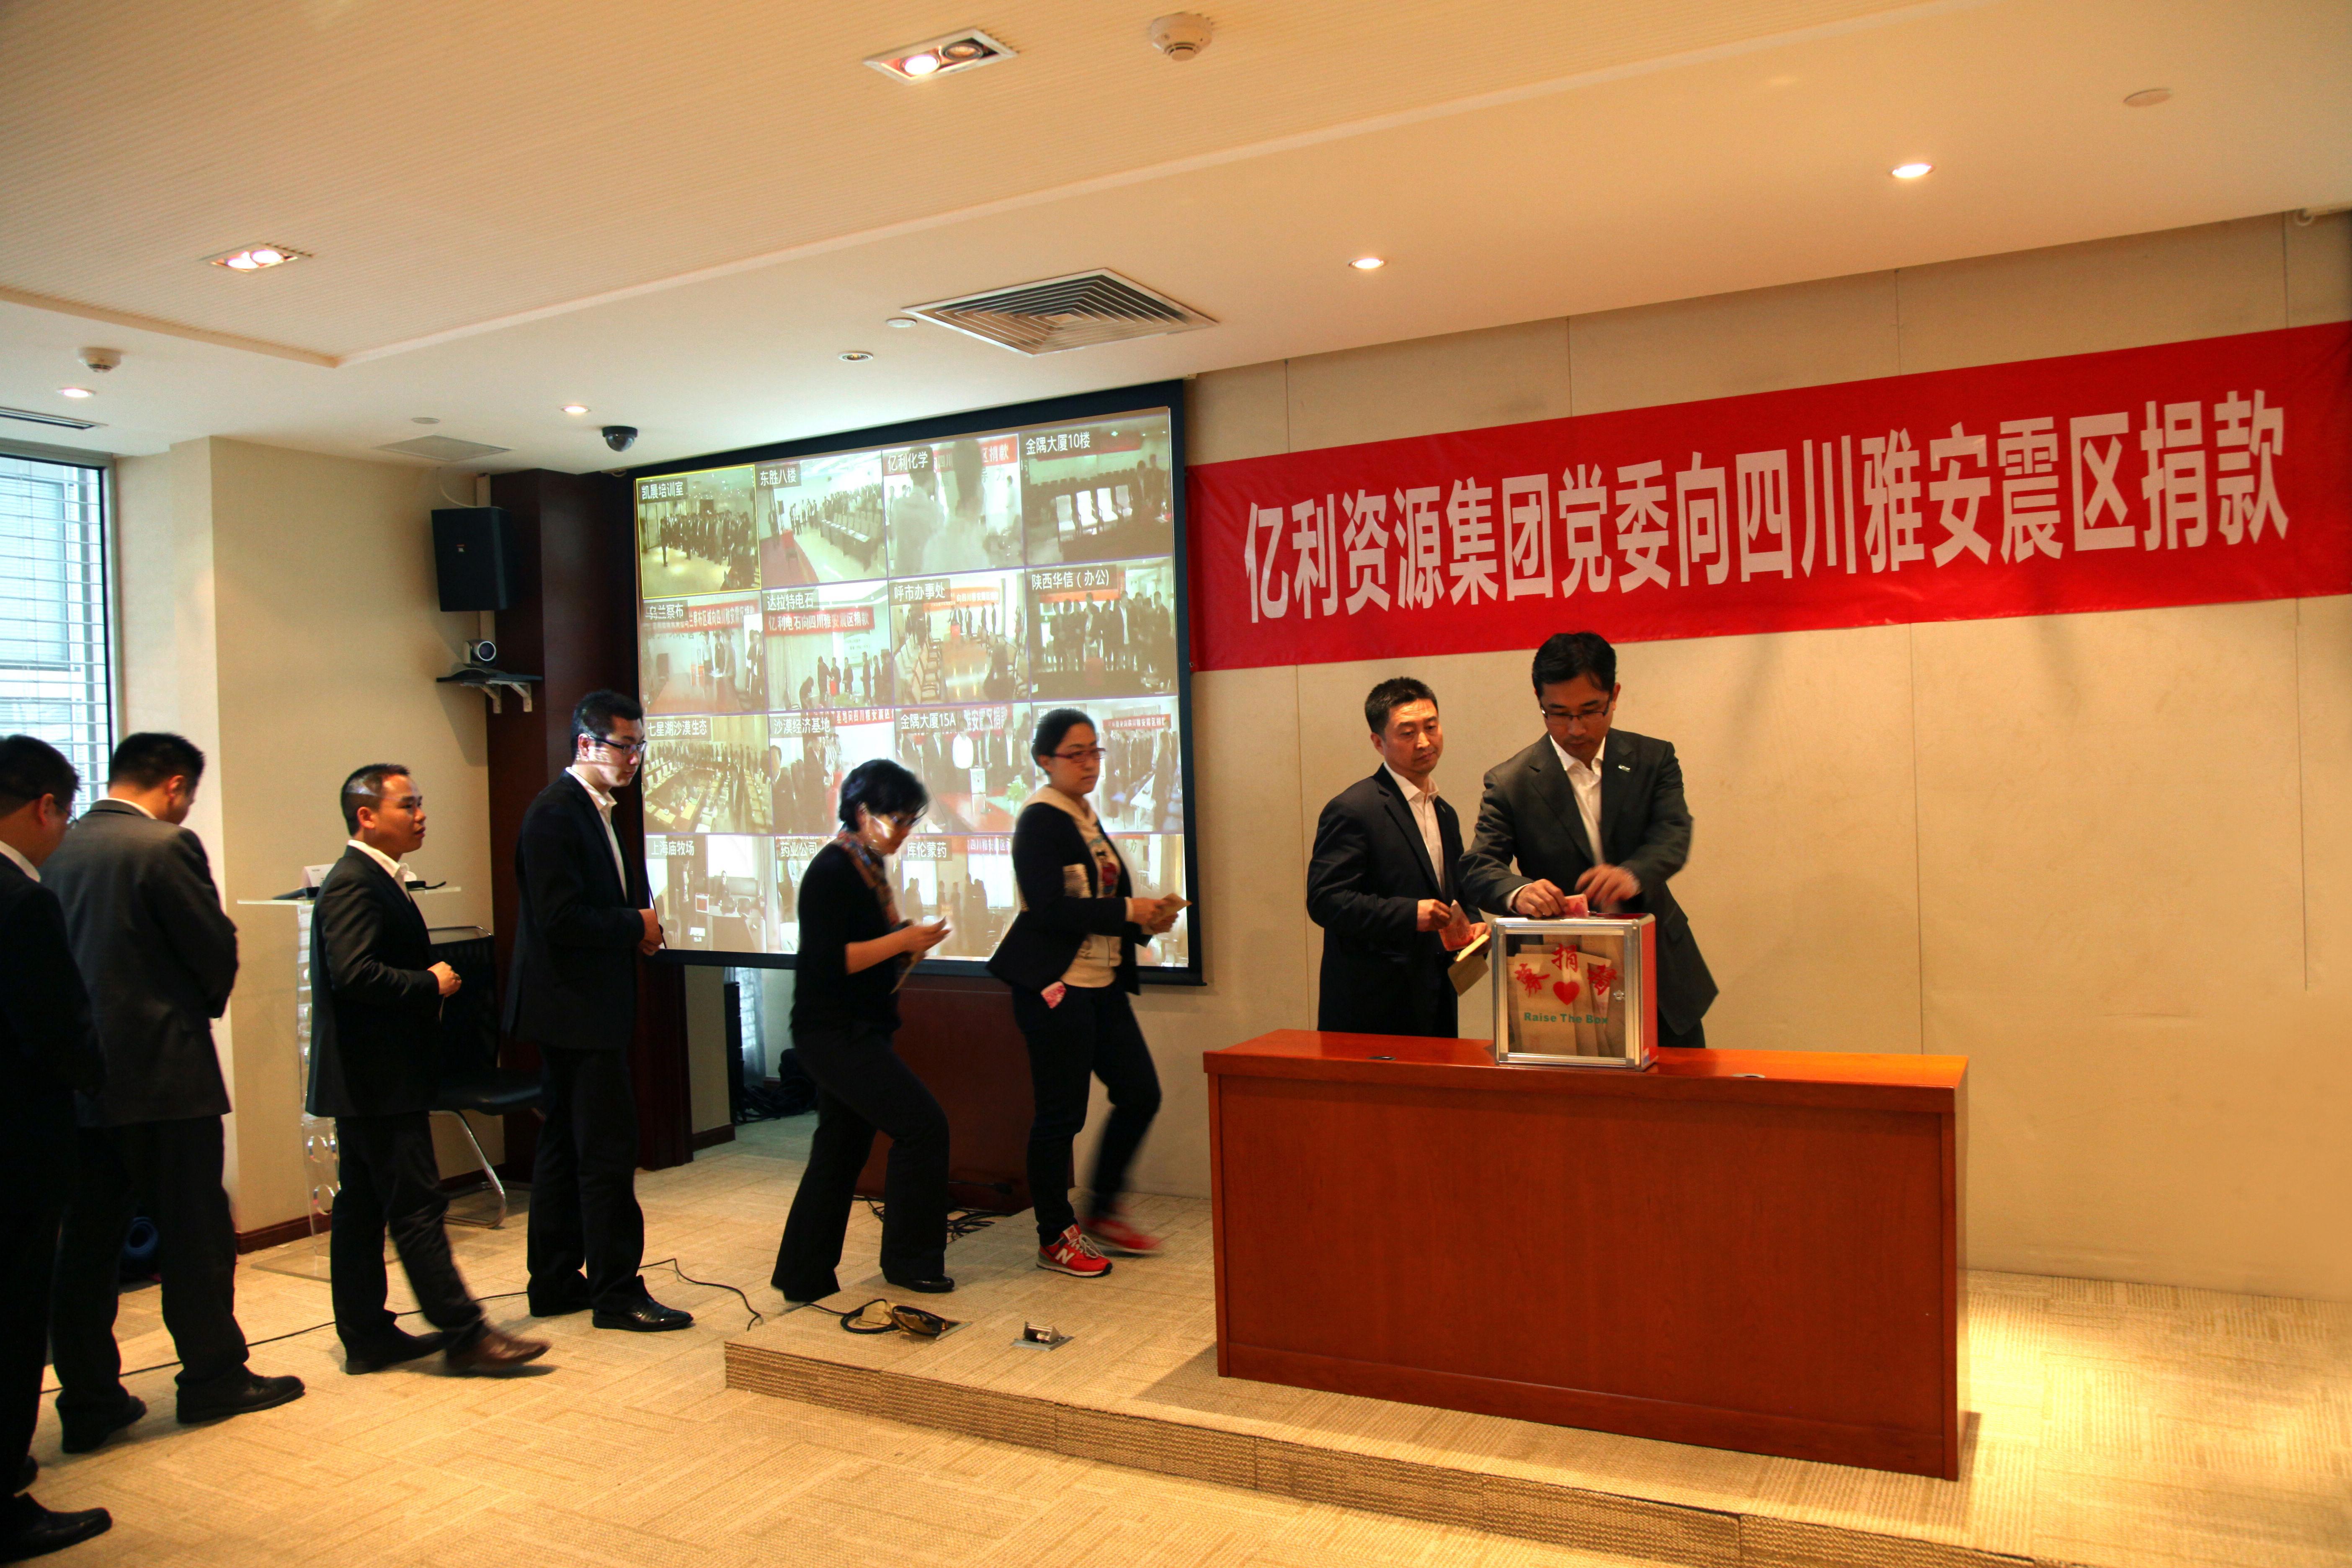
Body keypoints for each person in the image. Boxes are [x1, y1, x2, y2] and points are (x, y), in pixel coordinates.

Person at [45, 733, 302, 1454]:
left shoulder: (56, 848)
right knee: (195, 1236)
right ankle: (213, 1376)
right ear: (177, 785)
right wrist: (199, 1003)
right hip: (165, 1076)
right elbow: (212, 950)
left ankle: (89, 1399)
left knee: (85, 1248)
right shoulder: (165, 846)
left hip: (80, 1084)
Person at [311, 765, 549, 1373]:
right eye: (407, 805)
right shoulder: (354, 882)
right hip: (377, 1080)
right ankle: (466, 1336)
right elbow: (353, 974)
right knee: (417, 1207)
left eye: (421, 803)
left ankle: (367, 1335)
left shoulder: (377, 877)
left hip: (372, 1079)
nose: (421, 816)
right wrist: (429, 982)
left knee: (363, 1209)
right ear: (367, 816)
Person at [508, 691, 692, 1331]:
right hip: (574, 1012)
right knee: (608, 1152)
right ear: (587, 744)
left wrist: (636, 928)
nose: (635, 758)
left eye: (641, 746)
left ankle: (556, 1282)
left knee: (563, 1147)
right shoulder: (555, 813)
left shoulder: (596, 808)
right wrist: (635, 924)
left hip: (582, 1008)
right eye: (625, 746)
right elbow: (559, 918)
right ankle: (616, 1293)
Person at [989, 709, 1184, 1279]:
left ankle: (1102, 1209)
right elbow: (1051, 909)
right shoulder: (1040, 819)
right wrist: (1128, 911)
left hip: (1102, 984)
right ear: (1045, 760)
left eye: (1095, 751)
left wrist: (1146, 921)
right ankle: (1055, 1235)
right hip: (1058, 987)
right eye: (1075, 753)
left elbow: (1099, 900)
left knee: (1140, 1093)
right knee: (1061, 1116)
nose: (1090, 763)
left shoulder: (1085, 815)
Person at [1458, 632, 1718, 1050]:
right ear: (1539, 700)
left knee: (1679, 1084)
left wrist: (1633, 874)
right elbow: (1479, 867)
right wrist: (1520, 892)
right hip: (1563, 976)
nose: (1575, 729)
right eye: (1558, 714)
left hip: (1658, 970)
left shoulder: (1653, 759)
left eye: (1590, 711)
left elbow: (1673, 834)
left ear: (1614, 696)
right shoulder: (1512, 782)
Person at [771, 759, 953, 1300]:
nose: (904, 831)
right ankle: (911, 1262)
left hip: (857, 1028)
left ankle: (803, 1274)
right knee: (923, 1127)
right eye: (897, 819)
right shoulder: (833, 869)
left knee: (839, 1149)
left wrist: (908, 947)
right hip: (834, 1032)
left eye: (911, 821)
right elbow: (831, 960)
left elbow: (870, 957)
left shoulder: (867, 867)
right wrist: (902, 942)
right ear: (862, 812)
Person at [0, 736, 114, 1561]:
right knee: (13, 1322)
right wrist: (94, 1073)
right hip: (17, 1149)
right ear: (45, 806)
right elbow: (56, 1031)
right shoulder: (21, 900)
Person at [1306, 680, 1480, 1039]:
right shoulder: (1354, 809)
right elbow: (1325, 901)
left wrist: (1474, 925)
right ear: (1378, 742)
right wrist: (1409, 914)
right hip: (1373, 1006)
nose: (1424, 742)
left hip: (1435, 995)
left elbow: (1456, 892)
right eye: (1408, 733)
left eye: (1431, 727)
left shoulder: (1444, 811)